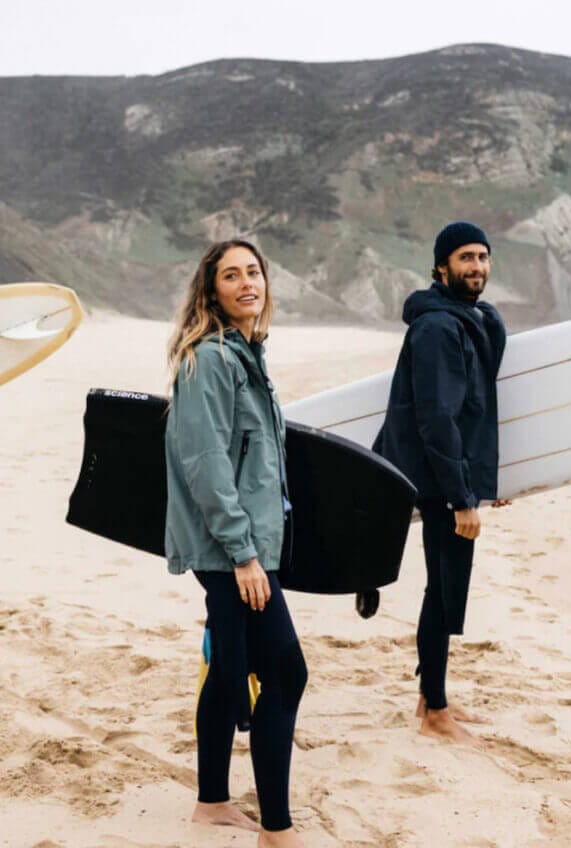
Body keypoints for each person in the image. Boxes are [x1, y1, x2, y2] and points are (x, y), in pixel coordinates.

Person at [165, 239, 307, 848]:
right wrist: (244, 554)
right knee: (284, 671)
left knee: (229, 670)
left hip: (245, 546)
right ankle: (276, 830)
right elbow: (206, 464)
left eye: (254, 272)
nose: (247, 282)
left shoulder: (249, 356)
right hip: (231, 552)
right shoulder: (211, 361)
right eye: (232, 275)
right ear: (212, 290)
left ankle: (213, 802)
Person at [373, 222, 508, 745]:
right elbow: (437, 417)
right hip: (436, 477)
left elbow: (473, 412)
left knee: (446, 586)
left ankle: (433, 696)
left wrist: (487, 484)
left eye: (483, 256)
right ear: (441, 268)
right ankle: (434, 708)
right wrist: (460, 497)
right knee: (444, 586)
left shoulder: (466, 320)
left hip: (450, 473)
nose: (477, 267)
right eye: (465, 258)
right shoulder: (437, 329)